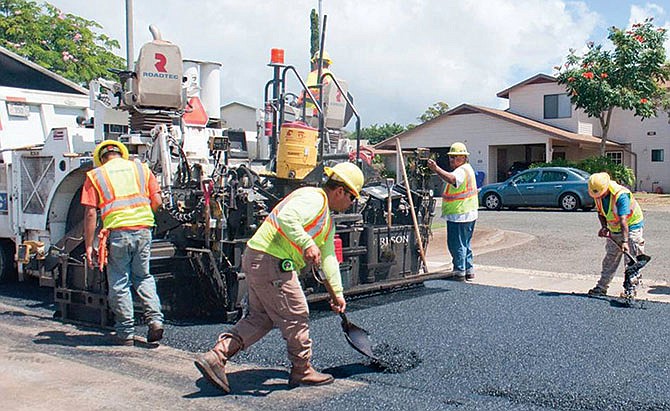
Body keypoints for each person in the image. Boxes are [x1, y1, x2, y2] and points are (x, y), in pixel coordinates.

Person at [194, 162, 364, 393]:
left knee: (261, 319)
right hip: (272, 260)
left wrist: (338, 294)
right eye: (353, 197)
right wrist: (306, 243)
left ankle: (216, 357)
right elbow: (286, 218)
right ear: (340, 190)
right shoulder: (314, 199)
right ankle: (302, 369)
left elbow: (329, 258)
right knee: (297, 314)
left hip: (259, 258)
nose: (352, 203)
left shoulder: (327, 220)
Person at [81, 140, 164, 346]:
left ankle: (126, 332)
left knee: (120, 282)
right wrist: (144, 218)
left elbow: (91, 212)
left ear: (101, 158)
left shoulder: (96, 175)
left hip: (118, 233)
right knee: (143, 277)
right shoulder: (141, 169)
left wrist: (89, 245)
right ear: (122, 154)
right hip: (144, 231)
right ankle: (155, 320)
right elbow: (159, 202)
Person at [586, 172, 645, 297]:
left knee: (631, 259)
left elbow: (623, 219)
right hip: (614, 228)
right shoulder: (597, 194)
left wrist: (625, 242)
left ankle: (631, 290)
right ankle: (601, 288)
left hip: (631, 226)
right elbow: (601, 213)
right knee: (610, 258)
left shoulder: (620, 195)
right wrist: (604, 227)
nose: (599, 196)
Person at [427, 142, 479, 281]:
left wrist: (436, 169)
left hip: (460, 214)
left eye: (455, 157)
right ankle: (469, 270)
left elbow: (452, 179)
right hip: (468, 213)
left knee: (457, 244)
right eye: (451, 157)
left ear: (463, 157)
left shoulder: (461, 171)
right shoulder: (467, 169)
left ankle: (459, 272)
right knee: (465, 244)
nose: (452, 160)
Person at [297, 50, 333, 119]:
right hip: (326, 113)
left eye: (314, 62)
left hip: (312, 113)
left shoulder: (315, 74)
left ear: (317, 62)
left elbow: (308, 93)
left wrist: (299, 101)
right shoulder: (331, 76)